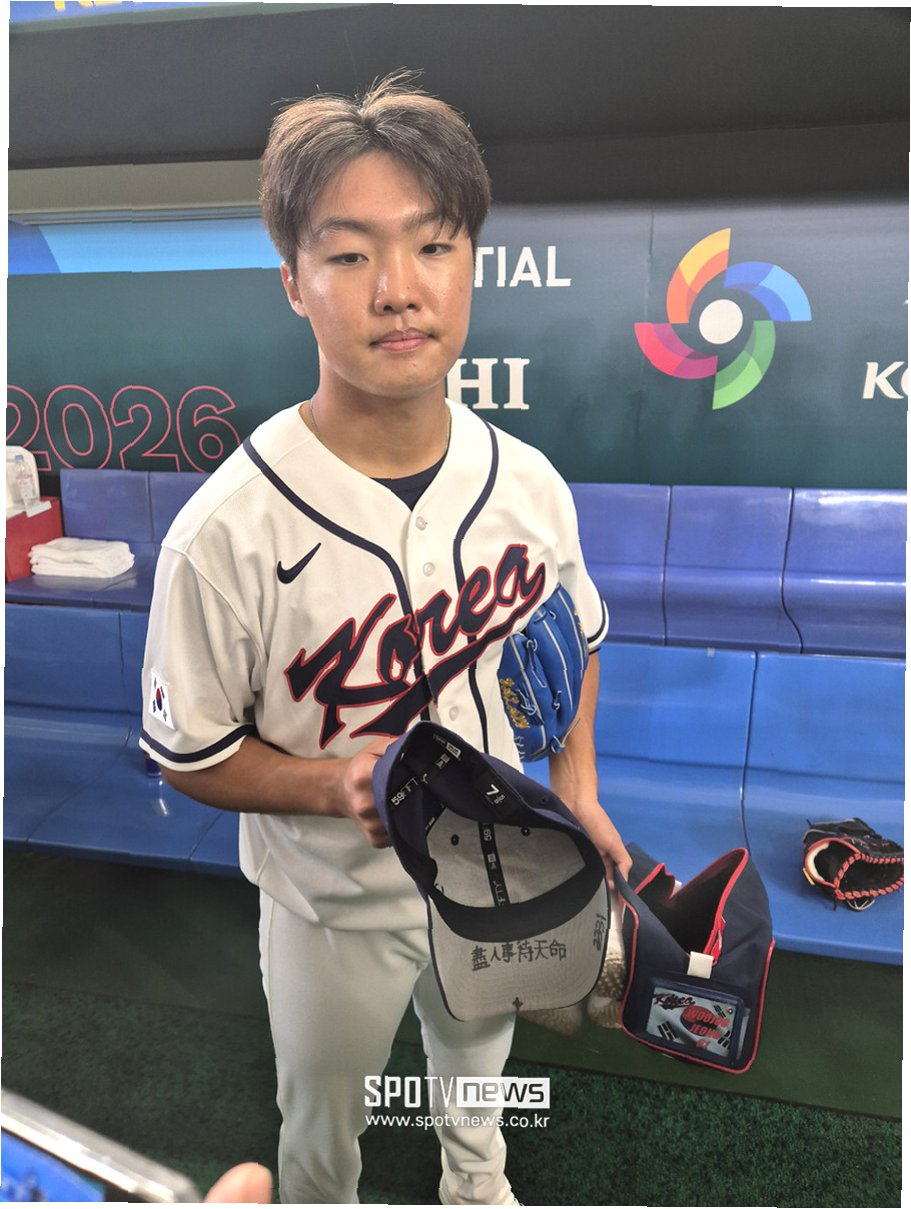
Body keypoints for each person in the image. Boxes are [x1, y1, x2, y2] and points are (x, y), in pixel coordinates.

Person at [139, 70, 631, 1206]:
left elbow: (579, 637)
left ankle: (476, 1188)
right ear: (293, 280)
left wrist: (578, 785)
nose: (399, 289)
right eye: (350, 253)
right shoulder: (224, 530)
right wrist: (330, 784)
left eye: (432, 245)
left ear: (471, 263)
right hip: (330, 905)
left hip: (501, 876)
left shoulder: (527, 483)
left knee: (478, 1085)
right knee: (322, 1131)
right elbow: (189, 751)